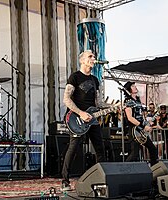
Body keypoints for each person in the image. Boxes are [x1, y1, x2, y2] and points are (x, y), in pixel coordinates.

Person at [61, 50, 106, 191]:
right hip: (76, 118)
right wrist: (80, 113)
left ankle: (102, 179)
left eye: (93, 56)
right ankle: (65, 180)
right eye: (90, 56)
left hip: (92, 118)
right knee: (73, 148)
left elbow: (99, 103)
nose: (93, 58)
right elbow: (66, 99)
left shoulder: (95, 80)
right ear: (82, 60)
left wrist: (115, 106)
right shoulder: (75, 77)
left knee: (100, 148)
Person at [123, 81, 158, 166]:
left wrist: (147, 123)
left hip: (141, 129)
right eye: (133, 86)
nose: (135, 87)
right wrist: (143, 126)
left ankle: (154, 169)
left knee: (152, 149)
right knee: (134, 153)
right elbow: (130, 118)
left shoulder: (138, 100)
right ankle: (123, 169)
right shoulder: (128, 101)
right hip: (134, 130)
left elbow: (141, 116)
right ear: (129, 89)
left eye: (135, 85)